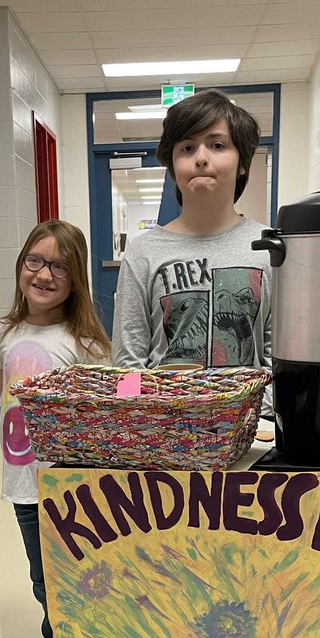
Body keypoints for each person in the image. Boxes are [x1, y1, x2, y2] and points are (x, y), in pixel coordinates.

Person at [0, 220, 110, 638]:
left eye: (60, 267)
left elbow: (107, 404)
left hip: (74, 484)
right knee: (43, 575)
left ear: (76, 279)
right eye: (35, 261)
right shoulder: (4, 330)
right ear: (21, 264)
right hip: (25, 483)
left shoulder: (84, 341)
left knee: (84, 569)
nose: (44, 275)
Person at [112, 89, 272, 403]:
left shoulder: (268, 248)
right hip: (164, 432)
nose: (201, 157)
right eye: (187, 147)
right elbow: (127, 362)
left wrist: (252, 416)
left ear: (242, 163)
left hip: (251, 433)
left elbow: (278, 358)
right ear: (173, 166)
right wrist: (135, 421)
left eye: (217, 145)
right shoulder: (143, 252)